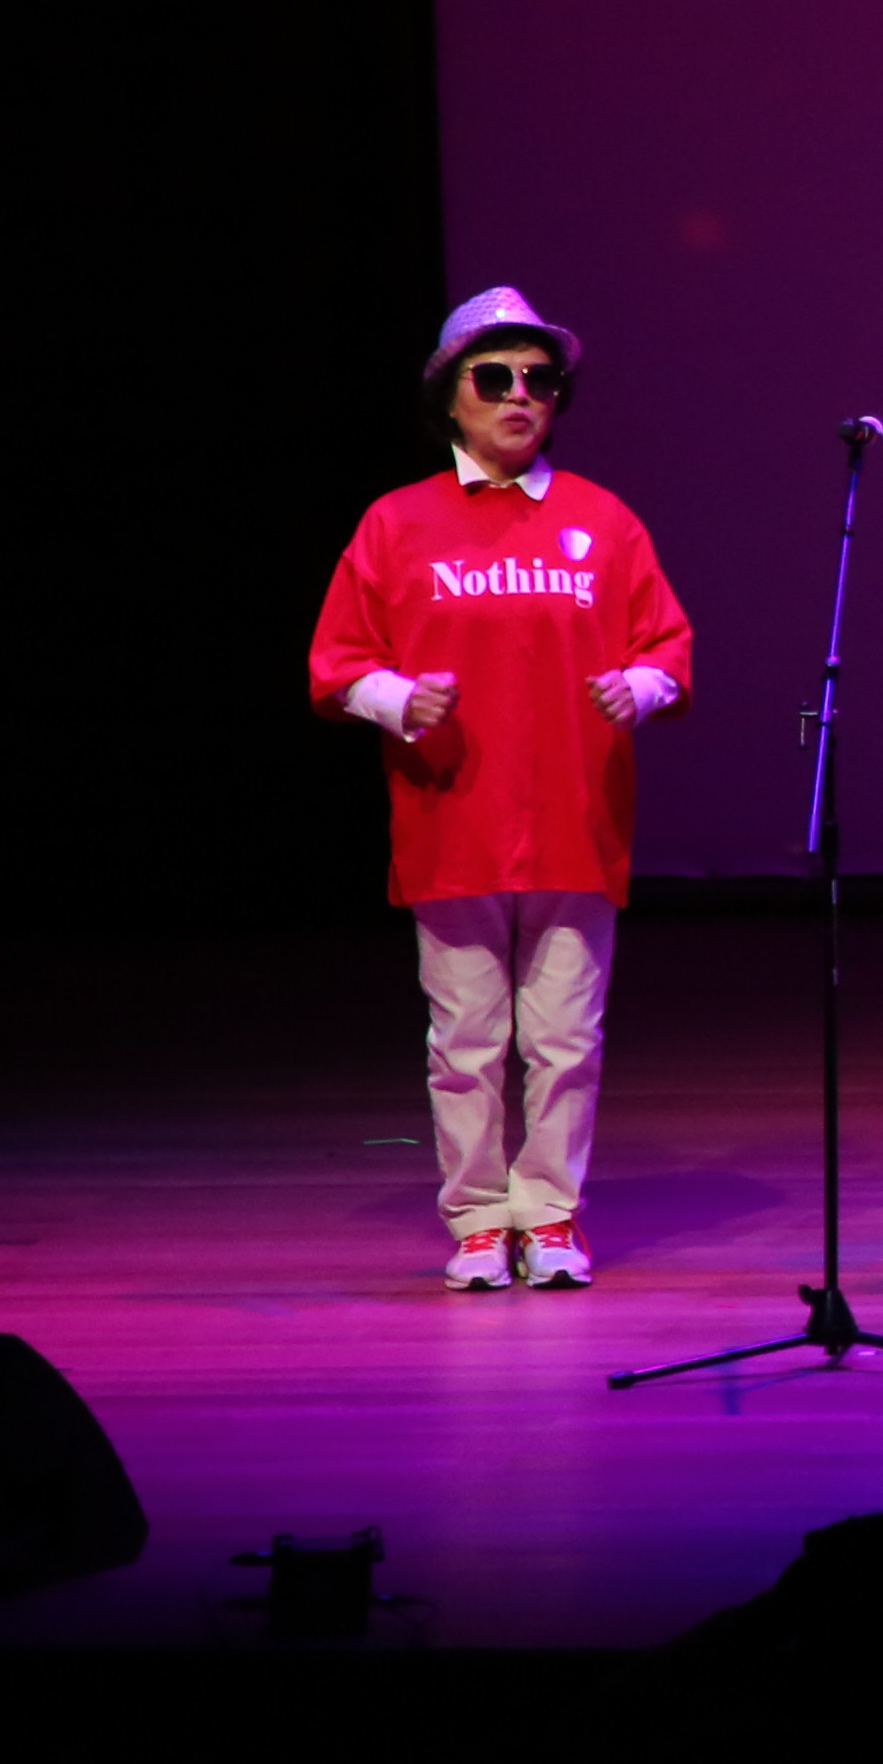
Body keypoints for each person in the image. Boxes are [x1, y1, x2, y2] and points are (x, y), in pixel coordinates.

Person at [307, 286, 692, 1290]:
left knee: (564, 1039)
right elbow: (337, 665)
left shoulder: (603, 519)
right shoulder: (397, 523)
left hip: (575, 817)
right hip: (452, 820)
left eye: (539, 379)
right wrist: (400, 698)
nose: (521, 395)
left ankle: (550, 1214)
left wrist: (642, 686)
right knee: (468, 1040)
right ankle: (480, 1217)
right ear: (451, 396)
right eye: (495, 378)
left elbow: (667, 646)